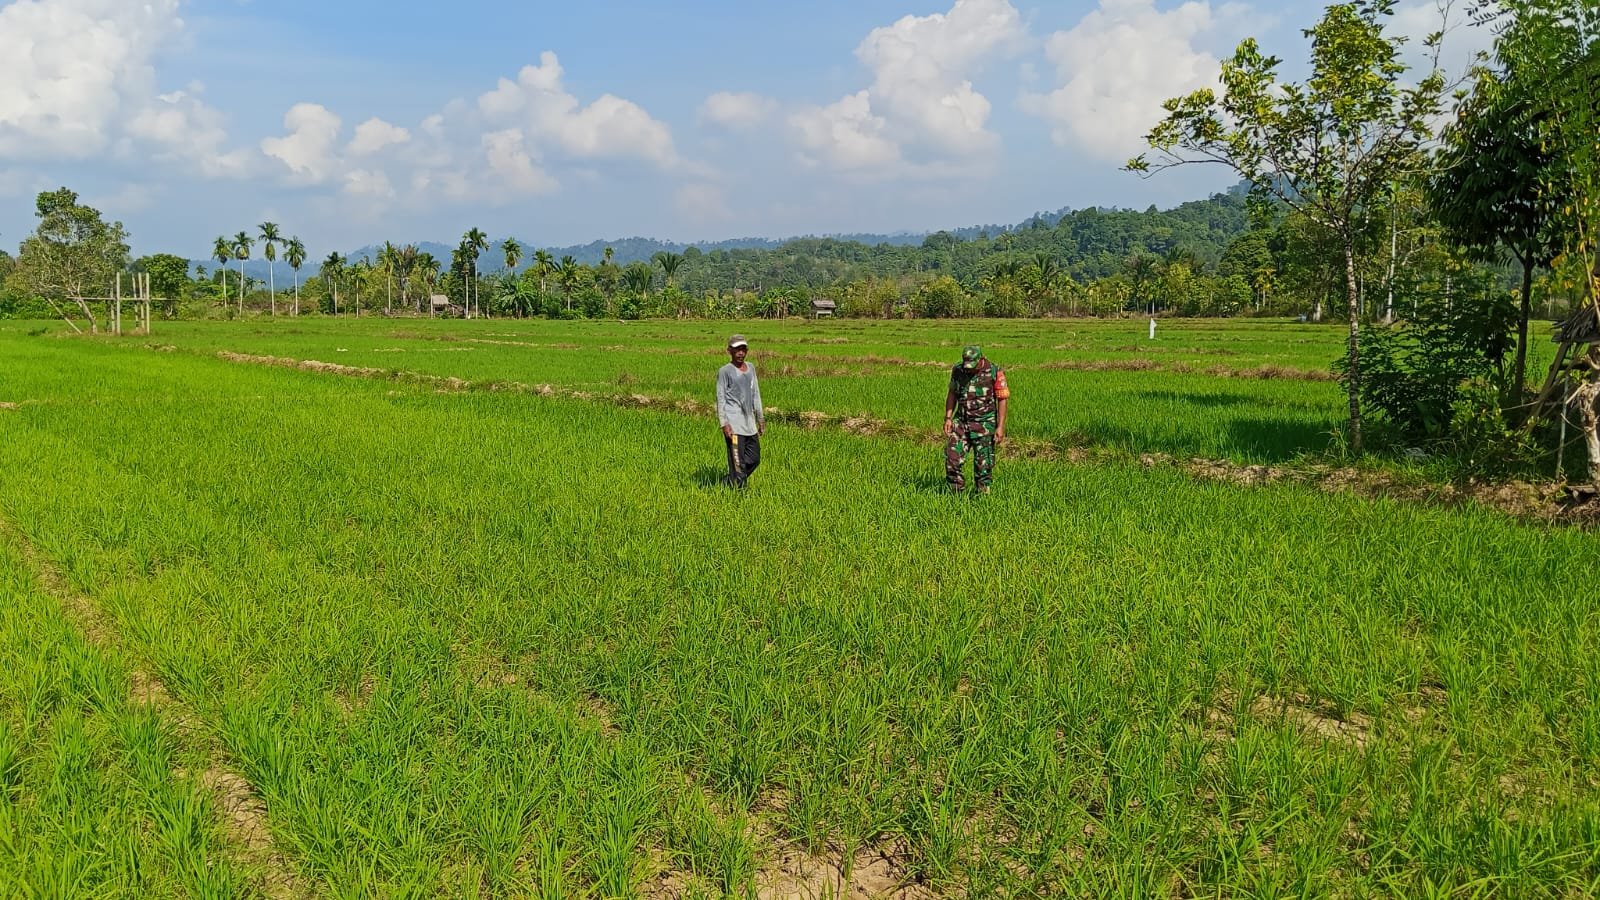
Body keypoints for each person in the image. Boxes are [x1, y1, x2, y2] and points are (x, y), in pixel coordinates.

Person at [944, 345, 1009, 494]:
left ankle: (982, 497)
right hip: (961, 423)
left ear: (981, 359)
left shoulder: (994, 371)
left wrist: (1000, 426)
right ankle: (955, 494)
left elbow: (1002, 398)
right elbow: (952, 393)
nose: (969, 369)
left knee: (983, 465)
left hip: (984, 424)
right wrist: (948, 418)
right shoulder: (958, 370)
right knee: (952, 458)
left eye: (972, 365)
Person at [717, 334, 765, 488]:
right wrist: (724, 424)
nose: (741, 353)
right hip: (734, 427)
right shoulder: (725, 371)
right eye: (737, 349)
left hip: (749, 424)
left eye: (743, 349)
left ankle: (728, 481)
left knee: (754, 459)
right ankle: (738, 493)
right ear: (729, 351)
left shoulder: (751, 368)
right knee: (738, 465)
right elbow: (720, 398)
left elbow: (755, 393)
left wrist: (760, 418)